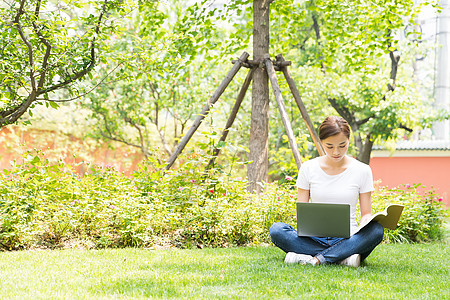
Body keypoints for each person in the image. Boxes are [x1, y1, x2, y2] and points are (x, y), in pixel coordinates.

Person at [269, 116, 384, 267]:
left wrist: (366, 223)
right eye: (329, 146)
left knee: (376, 230)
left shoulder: (362, 170)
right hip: (313, 237)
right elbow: (301, 209)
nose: (336, 152)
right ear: (321, 142)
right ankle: (343, 256)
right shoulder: (308, 168)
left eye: (342, 145)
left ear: (349, 140)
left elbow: (366, 214)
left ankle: (312, 257)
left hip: (348, 238)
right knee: (277, 230)